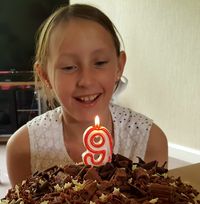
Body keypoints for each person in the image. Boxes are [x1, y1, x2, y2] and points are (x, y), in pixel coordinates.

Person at [6, 3, 168, 187]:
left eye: (99, 62)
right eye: (69, 67)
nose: (87, 81)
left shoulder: (149, 140)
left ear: (119, 66)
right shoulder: (22, 149)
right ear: (45, 75)